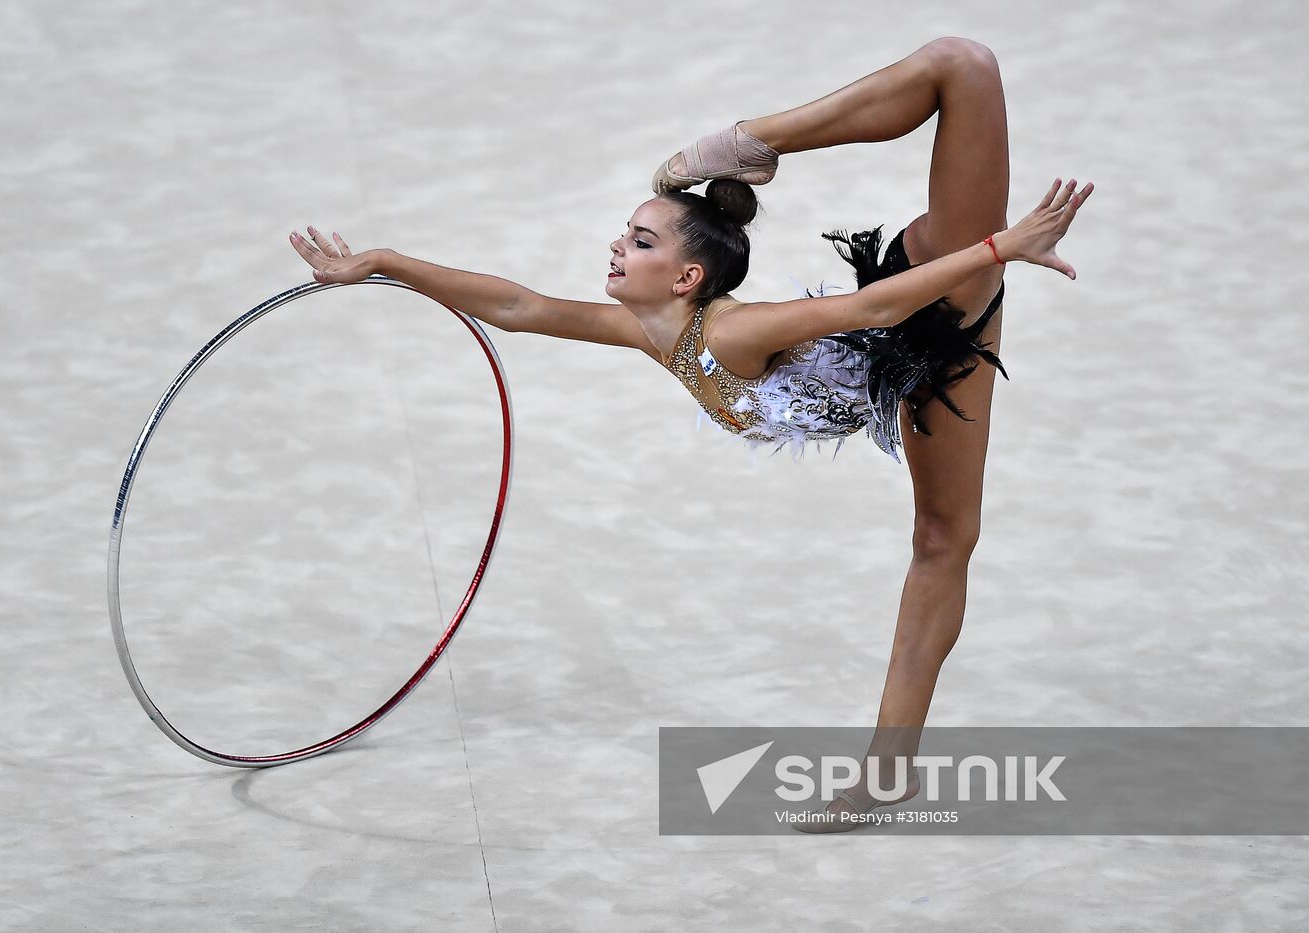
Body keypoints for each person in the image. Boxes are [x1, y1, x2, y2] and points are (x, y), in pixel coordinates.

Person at [290, 37, 1092, 832]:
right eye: (627, 233)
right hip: (911, 344)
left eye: (641, 241)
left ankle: (758, 139)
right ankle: (890, 777)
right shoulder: (657, 332)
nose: (617, 244)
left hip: (943, 308)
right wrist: (385, 260)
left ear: (685, 278)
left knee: (965, 65)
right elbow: (520, 309)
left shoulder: (736, 333)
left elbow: (875, 309)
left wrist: (1000, 249)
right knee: (941, 538)